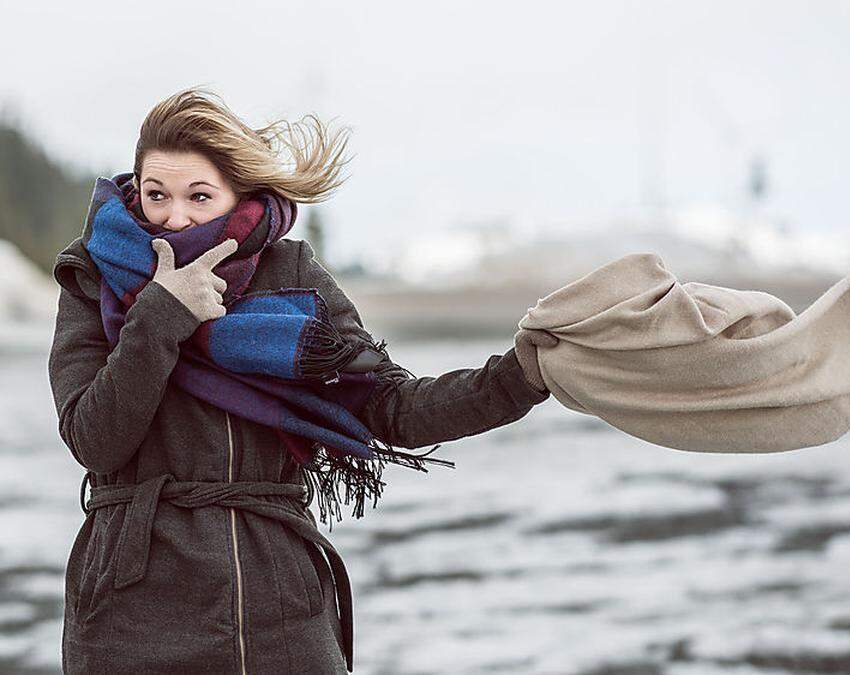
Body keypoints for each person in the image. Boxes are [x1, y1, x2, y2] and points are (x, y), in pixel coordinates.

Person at [47, 85, 556, 674]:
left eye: (199, 196)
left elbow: (389, 406)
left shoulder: (289, 272)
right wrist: (160, 314)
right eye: (156, 195)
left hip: (280, 607)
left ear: (238, 195)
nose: (174, 217)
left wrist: (519, 378)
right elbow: (95, 439)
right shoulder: (94, 277)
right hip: (135, 612)